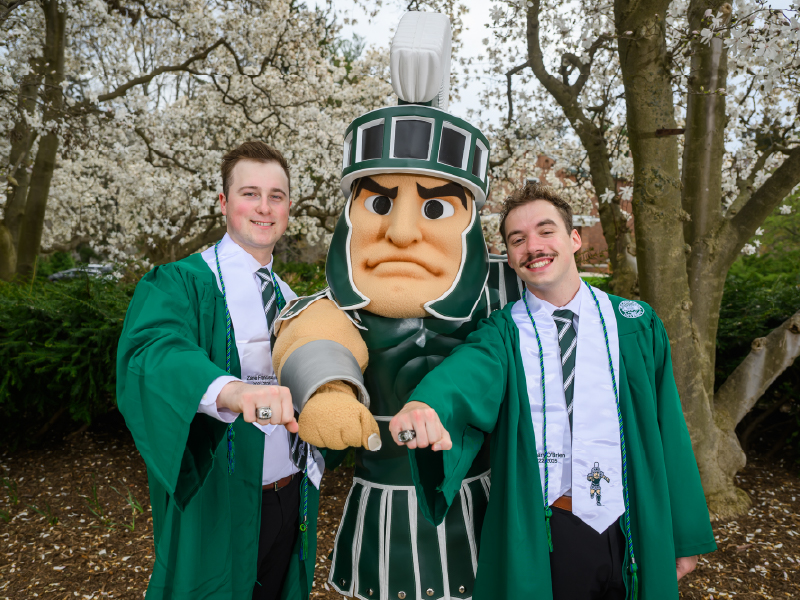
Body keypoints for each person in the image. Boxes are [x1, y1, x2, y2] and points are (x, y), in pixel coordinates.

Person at [270, 12, 521, 600]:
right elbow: (315, 334)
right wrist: (329, 390)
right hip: (379, 511)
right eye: (380, 204)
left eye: (435, 208)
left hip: (482, 504)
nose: (402, 232)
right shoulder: (338, 304)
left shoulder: (506, 293)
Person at [389, 182, 717, 600]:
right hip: (552, 531)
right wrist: (425, 404)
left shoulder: (634, 323)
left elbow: (667, 425)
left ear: (574, 238)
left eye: (546, 231)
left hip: (633, 520)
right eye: (517, 240)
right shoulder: (504, 333)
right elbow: (464, 376)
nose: (533, 247)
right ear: (510, 257)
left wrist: (684, 534)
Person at [117, 141, 322, 600]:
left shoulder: (293, 301)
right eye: (250, 194)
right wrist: (232, 391)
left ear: (289, 207)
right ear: (224, 203)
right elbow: (154, 351)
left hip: (292, 494)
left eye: (276, 196)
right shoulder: (183, 282)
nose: (264, 207)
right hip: (220, 498)